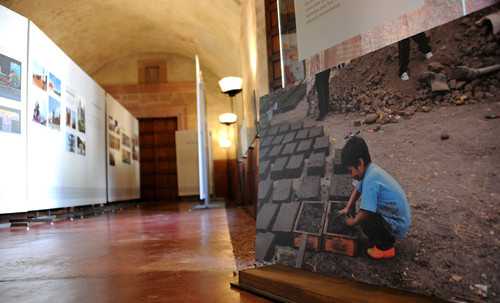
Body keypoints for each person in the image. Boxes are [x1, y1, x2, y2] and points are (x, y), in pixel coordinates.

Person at [338, 136, 411, 259]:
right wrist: (347, 207)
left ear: (360, 163)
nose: (351, 176)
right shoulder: (372, 170)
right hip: (398, 218)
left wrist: (353, 223)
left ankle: (386, 249)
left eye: (351, 171)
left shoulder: (371, 180)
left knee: (365, 219)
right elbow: (357, 189)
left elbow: (365, 212)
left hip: (397, 223)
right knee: (367, 214)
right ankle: (388, 239)